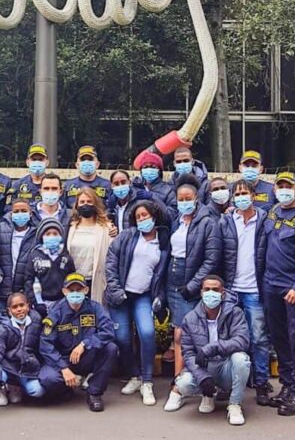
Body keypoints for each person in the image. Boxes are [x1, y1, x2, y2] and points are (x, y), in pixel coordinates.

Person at [256, 171, 295, 416]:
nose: (284, 190)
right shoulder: (273, 212)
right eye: (280, 186)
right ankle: (287, 386)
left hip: (292, 289)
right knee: (279, 338)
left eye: (288, 186)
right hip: (271, 286)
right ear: (274, 190)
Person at [105, 200, 169, 406]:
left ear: (154, 216)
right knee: (122, 337)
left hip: (143, 296)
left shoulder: (163, 242)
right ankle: (134, 375)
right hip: (121, 295)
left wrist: (159, 297)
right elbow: (111, 261)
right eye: (139, 216)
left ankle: (147, 382)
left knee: (147, 333)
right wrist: (115, 290)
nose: (142, 219)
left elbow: (162, 275)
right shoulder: (127, 236)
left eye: (146, 215)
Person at [164, 274, 251, 426]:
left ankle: (235, 405)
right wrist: (202, 376)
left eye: (215, 290)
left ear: (223, 293)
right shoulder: (190, 318)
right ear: (201, 292)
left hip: (225, 367)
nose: (211, 293)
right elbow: (189, 353)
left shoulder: (234, 313)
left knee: (241, 359)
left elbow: (242, 340)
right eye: (207, 289)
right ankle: (207, 394)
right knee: (183, 383)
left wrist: (213, 347)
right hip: (203, 367)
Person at [219, 180, 271, 406]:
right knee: (228, 338)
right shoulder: (227, 221)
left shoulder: (265, 220)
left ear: (253, 195)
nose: (241, 197)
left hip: (255, 290)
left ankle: (261, 384)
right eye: (237, 193)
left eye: (244, 193)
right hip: (231, 290)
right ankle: (227, 383)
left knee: (258, 338)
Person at [38, 273, 119, 412]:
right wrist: (63, 368)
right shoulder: (56, 312)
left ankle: (94, 393)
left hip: (86, 356)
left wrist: (85, 344)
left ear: (86, 290)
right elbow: (46, 345)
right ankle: (65, 389)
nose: (75, 293)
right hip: (63, 359)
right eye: (71, 290)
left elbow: (108, 332)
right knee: (47, 379)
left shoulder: (95, 308)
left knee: (111, 349)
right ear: (64, 292)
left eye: (79, 289)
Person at [166, 174, 221, 376]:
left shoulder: (208, 222)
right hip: (173, 280)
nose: (184, 202)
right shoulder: (176, 221)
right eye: (180, 199)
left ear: (197, 198)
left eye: (188, 198)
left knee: (185, 333)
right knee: (178, 332)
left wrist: (193, 285)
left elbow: (211, 260)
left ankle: (181, 384)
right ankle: (180, 379)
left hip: (193, 282)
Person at [0, 292, 46, 406]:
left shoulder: (36, 322)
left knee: (37, 391)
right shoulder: (2, 327)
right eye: (14, 307)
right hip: (7, 366)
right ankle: (1, 389)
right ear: (9, 310)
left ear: (28, 306)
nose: (19, 309)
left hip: (26, 367)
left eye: (22, 305)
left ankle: (15, 386)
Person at [66, 188, 116, 304]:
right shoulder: (70, 227)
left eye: (89, 202)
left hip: (96, 281)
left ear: (96, 204)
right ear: (77, 205)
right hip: (74, 282)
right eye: (82, 202)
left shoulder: (107, 228)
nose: (85, 205)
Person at [25, 218, 76, 315]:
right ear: (41, 237)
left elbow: (71, 279)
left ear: (60, 236)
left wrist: (68, 299)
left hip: (62, 302)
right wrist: (36, 302)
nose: (51, 236)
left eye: (55, 233)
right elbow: (28, 280)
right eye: (47, 234)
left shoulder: (65, 256)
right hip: (41, 301)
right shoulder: (35, 256)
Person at [0, 199, 38, 314]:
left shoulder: (36, 234)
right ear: (11, 213)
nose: (20, 214)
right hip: (2, 290)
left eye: (24, 211)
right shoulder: (1, 230)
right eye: (16, 211)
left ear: (30, 213)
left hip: (24, 292)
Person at [5, 143, 49, 209]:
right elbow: (9, 209)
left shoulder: (53, 184)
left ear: (47, 162)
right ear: (27, 162)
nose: (37, 162)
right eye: (34, 159)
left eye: (40, 159)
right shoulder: (17, 185)